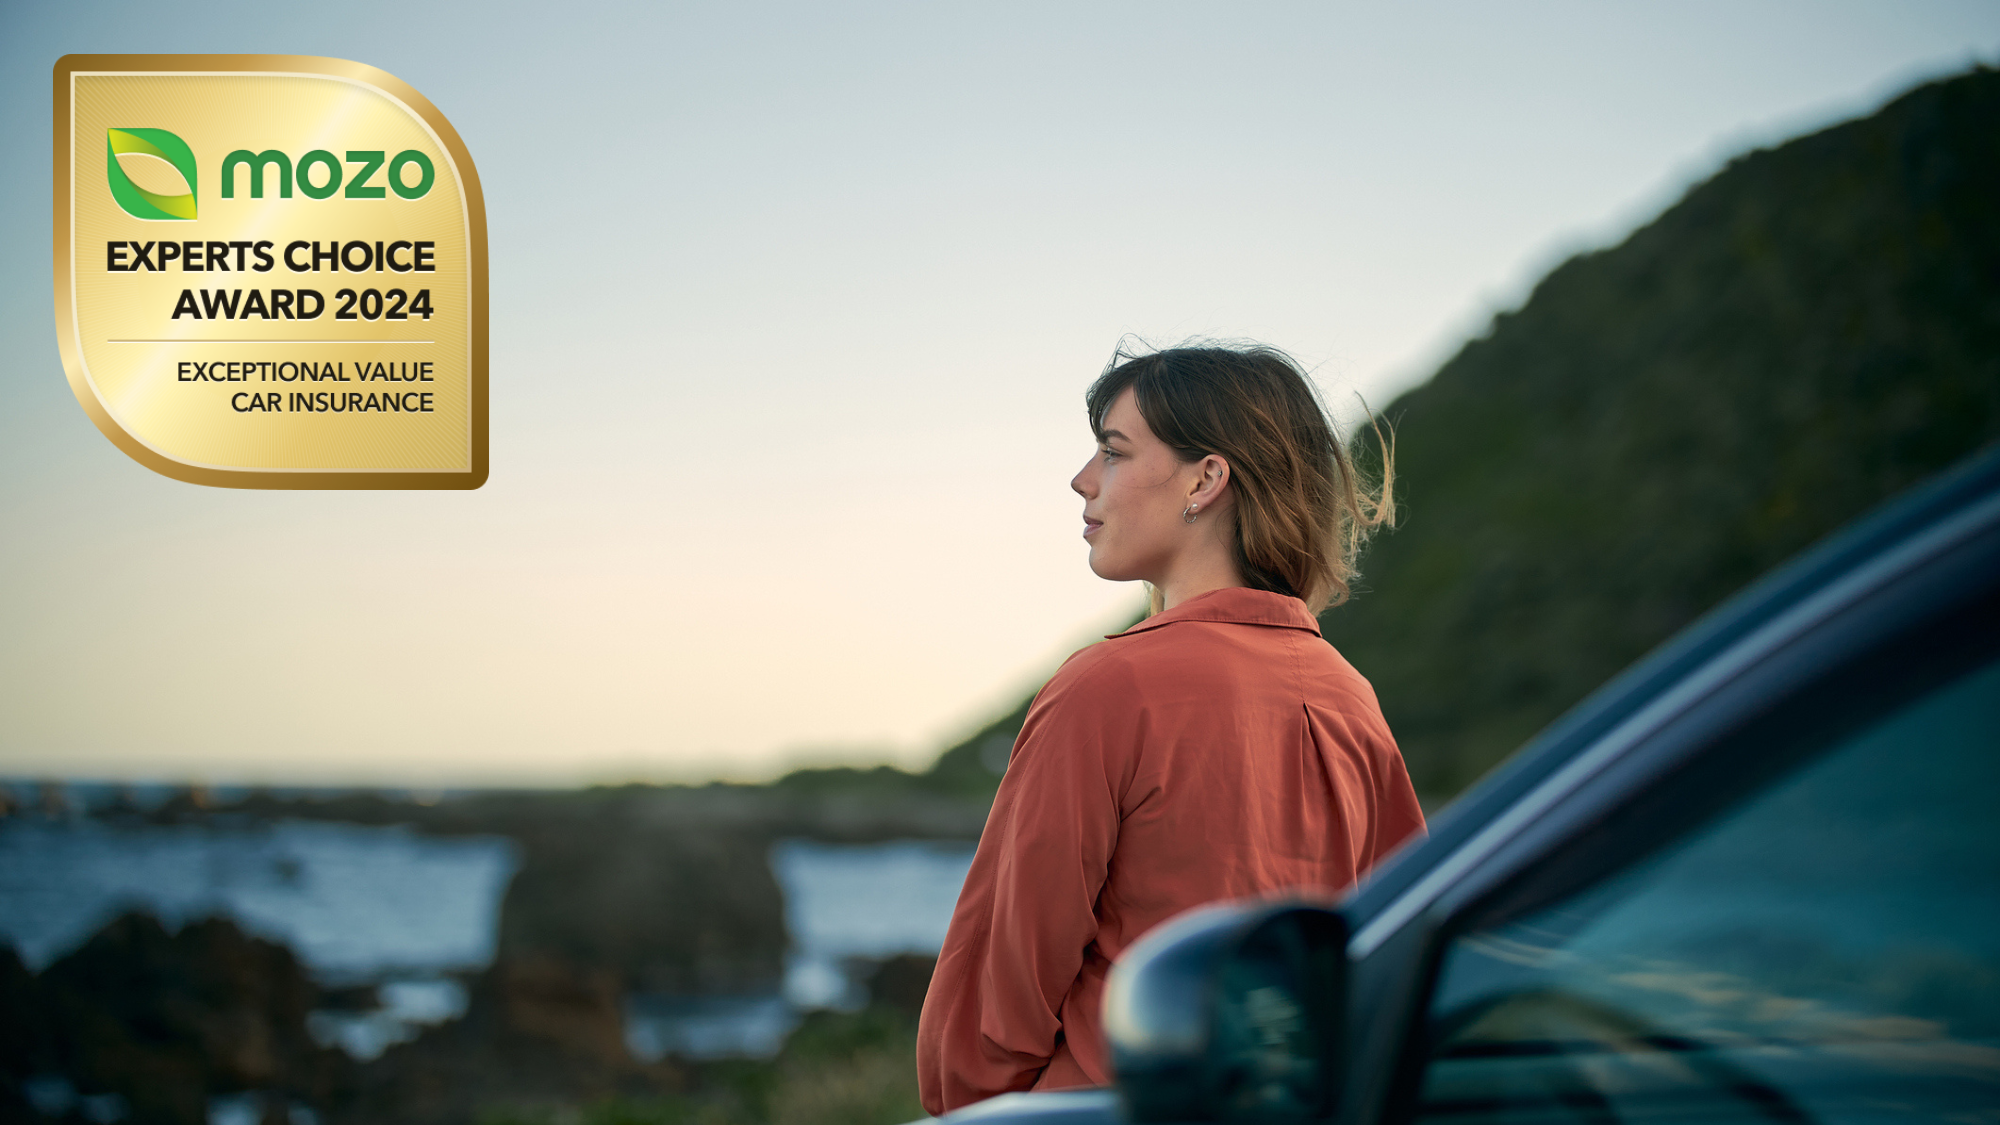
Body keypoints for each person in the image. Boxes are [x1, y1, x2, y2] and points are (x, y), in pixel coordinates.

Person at [915, 342, 1428, 1114]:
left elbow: (995, 1003)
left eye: (1113, 453)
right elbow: (1397, 960)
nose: (1083, 479)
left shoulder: (1108, 688)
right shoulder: (1352, 698)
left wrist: (981, 1105)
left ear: (1206, 479)